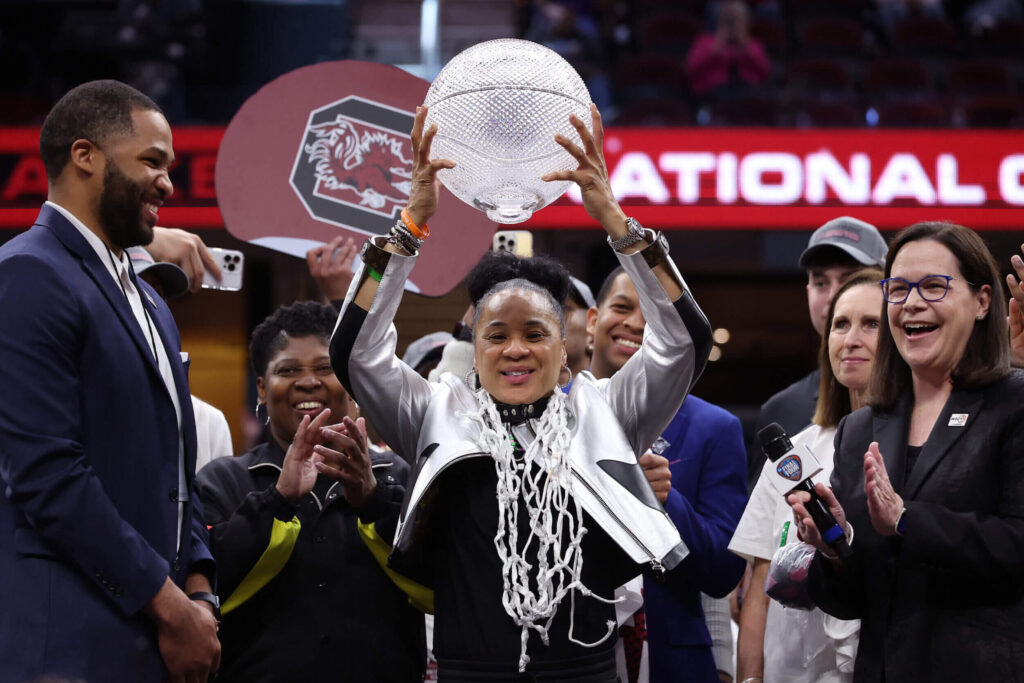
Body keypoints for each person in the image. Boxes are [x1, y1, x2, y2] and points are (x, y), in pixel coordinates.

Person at [326, 103, 712, 680]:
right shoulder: (438, 412)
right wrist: (409, 228)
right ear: (475, 350)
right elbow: (356, 350)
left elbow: (684, 340)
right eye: (497, 335)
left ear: (564, 349)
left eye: (536, 334)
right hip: (466, 672)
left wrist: (614, 220)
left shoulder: (602, 411)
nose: (515, 350)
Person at [0, 79, 219, 681]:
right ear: (85, 155)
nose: (168, 183)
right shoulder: (27, 275)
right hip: (69, 644)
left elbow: (176, 474)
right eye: (151, 161)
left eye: (169, 165)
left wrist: (199, 592)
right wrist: (173, 609)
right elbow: (48, 477)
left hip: (154, 636)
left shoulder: (152, 302)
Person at [788, 222, 1024, 681]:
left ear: (982, 301)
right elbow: (851, 601)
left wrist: (907, 520)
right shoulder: (860, 429)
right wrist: (834, 546)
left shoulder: (1014, 403)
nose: (912, 302)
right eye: (897, 289)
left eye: (934, 287)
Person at [195, 301, 426, 681]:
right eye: (288, 370)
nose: (308, 381)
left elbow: (433, 585)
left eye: (325, 368)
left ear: (351, 382)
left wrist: (372, 501)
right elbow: (212, 586)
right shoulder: (221, 481)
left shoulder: (400, 474)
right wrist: (278, 500)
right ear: (262, 388)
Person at [587, 266, 748, 683]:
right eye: (621, 307)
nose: (636, 323)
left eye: (652, 315)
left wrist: (665, 501)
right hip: (569, 655)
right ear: (592, 321)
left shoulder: (714, 428)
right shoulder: (550, 415)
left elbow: (724, 572)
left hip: (670, 664)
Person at [731, 269, 883, 683]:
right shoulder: (794, 451)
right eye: (840, 324)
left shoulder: (918, 443)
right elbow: (759, 586)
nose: (851, 339)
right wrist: (750, 678)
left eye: (872, 324)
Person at [748, 217, 887, 488]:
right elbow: (763, 522)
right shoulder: (783, 409)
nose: (835, 296)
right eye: (821, 283)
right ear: (808, 291)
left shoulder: (924, 401)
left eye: (852, 280)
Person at [685, 0, 771, 99]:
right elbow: (691, 70)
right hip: (712, 94)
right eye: (729, 21)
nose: (733, 25)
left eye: (738, 20)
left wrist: (744, 47)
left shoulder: (753, 44)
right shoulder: (704, 41)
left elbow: (765, 72)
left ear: (746, 23)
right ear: (720, 20)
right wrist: (716, 48)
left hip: (748, 95)